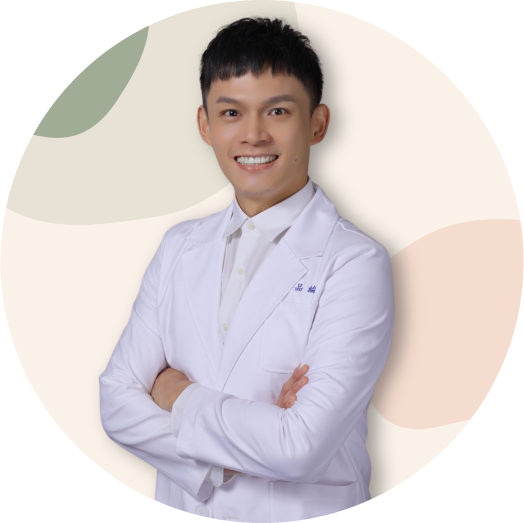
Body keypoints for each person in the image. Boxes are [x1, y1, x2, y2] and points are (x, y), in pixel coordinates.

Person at [99, 17, 394, 521]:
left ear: (317, 123)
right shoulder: (178, 247)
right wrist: (234, 456)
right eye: (231, 112)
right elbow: (116, 405)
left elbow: (300, 447)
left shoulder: (355, 262)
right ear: (205, 125)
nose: (253, 135)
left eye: (278, 110)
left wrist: (177, 396)